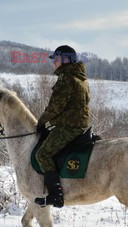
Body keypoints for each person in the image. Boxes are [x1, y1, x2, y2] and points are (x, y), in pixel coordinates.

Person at [34, 45, 91, 208]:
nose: (54, 63)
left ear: (65, 59)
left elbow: (55, 106)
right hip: (79, 124)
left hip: (69, 126)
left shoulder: (66, 78)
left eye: (56, 59)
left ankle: (56, 195)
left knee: (43, 154)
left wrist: (42, 121)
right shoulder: (81, 78)